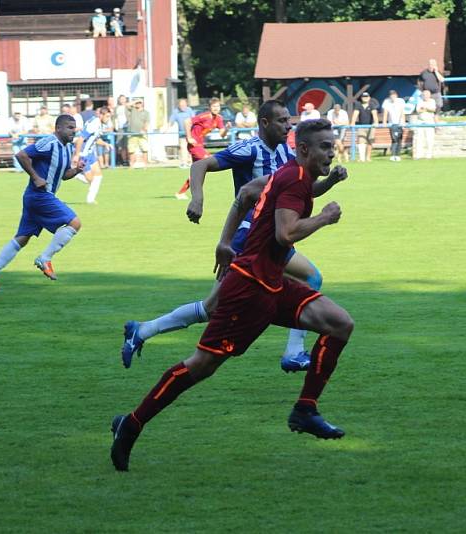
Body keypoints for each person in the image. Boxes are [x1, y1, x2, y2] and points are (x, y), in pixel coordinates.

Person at [110, 118, 353, 471]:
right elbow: (286, 235)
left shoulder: (291, 174)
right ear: (302, 149)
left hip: (270, 283)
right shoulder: (294, 178)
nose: (332, 152)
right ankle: (131, 424)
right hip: (249, 289)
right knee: (201, 366)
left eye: (333, 145)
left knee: (339, 323)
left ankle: (305, 409)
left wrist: (224, 242)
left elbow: (245, 196)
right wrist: (325, 218)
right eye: (325, 147)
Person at [121, 101, 342, 373]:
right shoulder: (248, 149)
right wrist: (197, 199)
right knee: (214, 308)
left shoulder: (287, 152)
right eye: (282, 121)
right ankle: (142, 331)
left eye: (289, 120)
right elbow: (200, 165)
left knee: (310, 278)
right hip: (248, 239)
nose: (288, 126)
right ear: (264, 123)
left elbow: (301, 193)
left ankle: (293, 353)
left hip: (272, 236)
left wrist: (330, 182)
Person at [0, 115, 85, 292]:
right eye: (69, 127)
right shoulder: (49, 142)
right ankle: (45, 258)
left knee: (22, 238)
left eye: (74, 128)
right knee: (75, 223)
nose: (73, 131)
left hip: (36, 197)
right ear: (58, 128)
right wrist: (35, 177)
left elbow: (64, 175)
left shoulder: (67, 148)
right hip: (40, 196)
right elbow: (21, 155)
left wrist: (76, 170)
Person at [175, 98, 227, 199]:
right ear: (210, 107)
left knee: (198, 171)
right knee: (208, 161)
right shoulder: (204, 116)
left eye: (218, 106)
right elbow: (187, 122)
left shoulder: (219, 118)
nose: (216, 108)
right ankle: (194, 192)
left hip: (200, 145)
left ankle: (181, 193)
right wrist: (189, 137)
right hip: (194, 145)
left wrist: (227, 129)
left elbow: (222, 134)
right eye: (214, 106)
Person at [73, 107, 112, 204]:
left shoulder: (100, 124)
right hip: (83, 154)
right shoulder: (94, 124)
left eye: (109, 117)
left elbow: (95, 139)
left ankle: (90, 200)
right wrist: (77, 155)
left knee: (98, 176)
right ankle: (75, 174)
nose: (108, 119)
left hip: (90, 154)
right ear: (101, 115)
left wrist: (105, 144)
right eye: (107, 116)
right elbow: (81, 139)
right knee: (90, 180)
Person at [166, 98, 195, 168]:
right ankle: (184, 163)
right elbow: (171, 122)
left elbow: (195, 120)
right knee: (183, 148)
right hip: (182, 134)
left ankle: (191, 162)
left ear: (186, 104)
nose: (183, 106)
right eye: (181, 105)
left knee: (191, 148)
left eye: (184, 104)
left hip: (191, 134)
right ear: (178, 105)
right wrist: (166, 129)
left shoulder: (190, 110)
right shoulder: (175, 112)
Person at [351, 92, 378, 162]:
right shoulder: (358, 104)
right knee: (361, 141)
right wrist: (352, 123)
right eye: (364, 97)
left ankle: (368, 158)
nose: (365, 98)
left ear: (369, 97)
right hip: (361, 126)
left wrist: (376, 123)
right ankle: (361, 158)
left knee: (370, 142)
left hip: (371, 126)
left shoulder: (372, 105)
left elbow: (375, 115)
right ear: (361, 98)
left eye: (366, 97)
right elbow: (355, 115)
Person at [382, 90, 406, 162]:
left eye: (394, 95)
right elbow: (385, 113)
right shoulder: (386, 102)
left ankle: (398, 155)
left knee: (399, 139)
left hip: (400, 124)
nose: (392, 97)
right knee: (394, 139)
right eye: (391, 95)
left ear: (396, 95)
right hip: (392, 124)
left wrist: (403, 123)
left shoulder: (401, 101)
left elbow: (402, 112)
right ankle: (393, 155)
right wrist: (384, 122)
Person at [126, 98, 150, 169]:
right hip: (132, 133)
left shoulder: (146, 112)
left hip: (142, 134)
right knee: (131, 150)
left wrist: (144, 129)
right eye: (137, 103)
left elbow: (147, 122)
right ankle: (131, 166)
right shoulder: (132, 109)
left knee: (145, 149)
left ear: (142, 103)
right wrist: (135, 101)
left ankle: (145, 165)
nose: (138, 104)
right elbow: (127, 105)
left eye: (139, 103)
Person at [414, 90, 437, 159]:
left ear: (429, 95)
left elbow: (433, 110)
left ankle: (429, 155)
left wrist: (425, 108)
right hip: (420, 121)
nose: (426, 96)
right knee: (419, 139)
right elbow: (418, 110)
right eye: (424, 95)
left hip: (429, 121)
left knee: (429, 139)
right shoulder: (420, 101)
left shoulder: (432, 101)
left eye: (427, 95)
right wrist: (426, 109)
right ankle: (418, 155)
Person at [114, 95, 130, 166]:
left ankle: (129, 160)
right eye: (121, 99)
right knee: (121, 146)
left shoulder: (128, 106)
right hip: (119, 128)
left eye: (124, 99)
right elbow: (114, 117)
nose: (122, 100)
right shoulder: (116, 108)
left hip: (127, 128)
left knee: (128, 145)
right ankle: (124, 161)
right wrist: (115, 126)